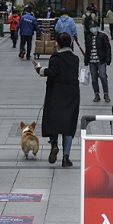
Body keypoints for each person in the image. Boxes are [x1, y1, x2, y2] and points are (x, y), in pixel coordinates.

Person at [33, 32, 80, 167]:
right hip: (71, 94)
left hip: (55, 93)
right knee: (69, 124)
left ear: (57, 43)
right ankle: (66, 157)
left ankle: (53, 143)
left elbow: (52, 72)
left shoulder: (55, 58)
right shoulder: (75, 59)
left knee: (53, 119)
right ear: (70, 43)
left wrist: (39, 69)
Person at [84, 20, 112, 103]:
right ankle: (96, 94)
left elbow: (108, 48)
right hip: (92, 61)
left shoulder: (103, 36)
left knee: (103, 76)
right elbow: (87, 50)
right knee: (94, 79)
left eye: (94, 26)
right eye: (91, 27)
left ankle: (106, 94)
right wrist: (86, 60)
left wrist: (108, 59)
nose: (93, 28)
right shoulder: (88, 37)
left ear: (97, 27)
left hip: (101, 60)